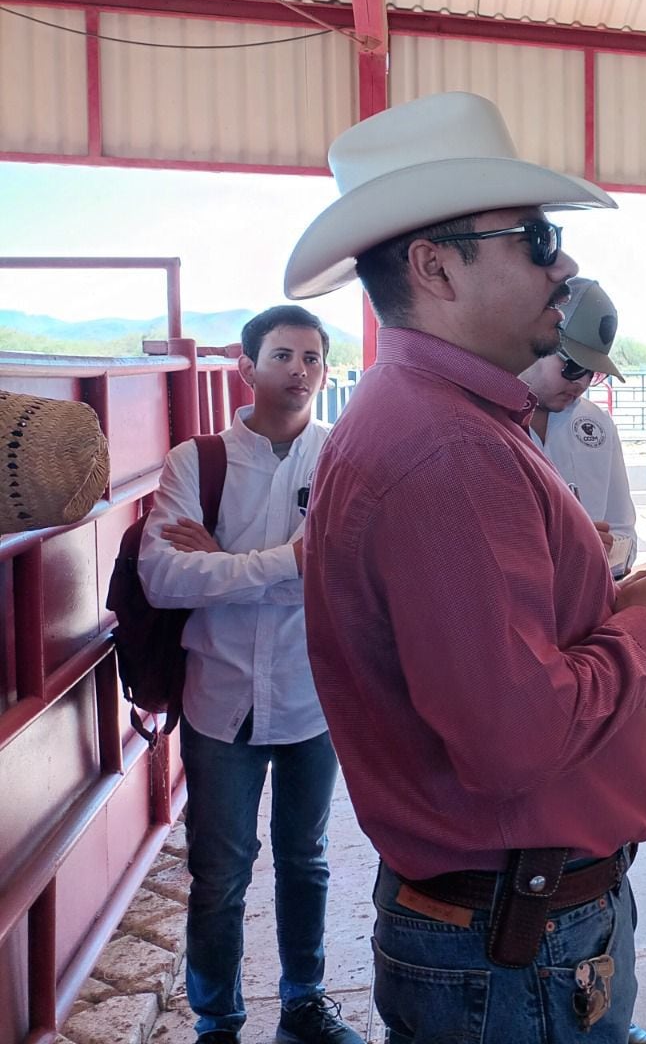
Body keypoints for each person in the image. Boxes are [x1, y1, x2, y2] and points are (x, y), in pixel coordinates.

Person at [288, 92, 646, 1044]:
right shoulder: (448, 452)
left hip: (513, 925)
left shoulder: (442, 423)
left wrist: (620, 603)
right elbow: (513, 739)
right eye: (536, 237)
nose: (564, 266)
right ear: (434, 267)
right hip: (520, 945)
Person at [139, 306, 358, 1044]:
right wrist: (280, 564)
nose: (300, 371)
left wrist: (221, 561)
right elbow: (163, 579)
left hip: (309, 697)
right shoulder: (196, 462)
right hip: (219, 699)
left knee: (307, 862)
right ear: (247, 365)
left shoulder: (339, 457)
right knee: (219, 875)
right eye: (283, 355)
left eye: (313, 358)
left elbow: (337, 575)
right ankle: (217, 1021)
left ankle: (303, 1003)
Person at [521, 277, 636, 577]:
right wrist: (572, 547)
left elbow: (625, 533)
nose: (580, 383)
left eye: (592, 373)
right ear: (536, 341)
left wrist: (604, 552)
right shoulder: (484, 424)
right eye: (572, 366)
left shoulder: (598, 425)